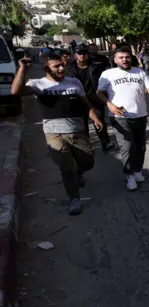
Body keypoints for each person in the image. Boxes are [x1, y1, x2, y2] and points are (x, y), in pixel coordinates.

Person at [11, 52, 104, 215]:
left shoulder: (74, 83)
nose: (62, 68)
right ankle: (74, 198)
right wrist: (22, 69)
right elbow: (15, 91)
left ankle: (79, 173)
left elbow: (85, 103)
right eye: (57, 66)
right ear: (47, 68)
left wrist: (95, 119)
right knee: (66, 167)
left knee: (88, 162)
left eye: (63, 65)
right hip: (54, 133)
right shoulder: (38, 84)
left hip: (77, 130)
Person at [96, 47, 149, 191]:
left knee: (140, 146)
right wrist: (110, 105)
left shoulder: (139, 72)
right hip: (119, 116)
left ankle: (137, 170)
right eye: (121, 57)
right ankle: (129, 176)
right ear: (115, 60)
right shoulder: (108, 74)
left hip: (140, 114)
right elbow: (99, 93)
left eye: (127, 57)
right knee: (126, 146)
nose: (125, 60)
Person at [66, 45, 114, 152]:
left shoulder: (96, 65)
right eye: (80, 54)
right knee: (83, 123)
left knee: (99, 120)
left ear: (87, 54)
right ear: (75, 55)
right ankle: (86, 145)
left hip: (94, 97)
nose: (82, 56)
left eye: (84, 53)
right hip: (78, 98)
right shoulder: (69, 67)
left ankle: (105, 143)